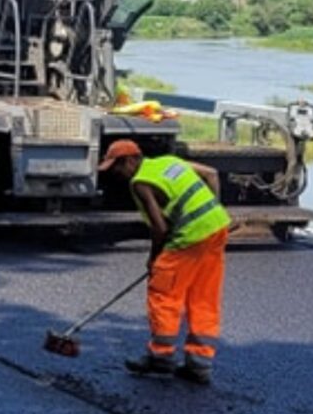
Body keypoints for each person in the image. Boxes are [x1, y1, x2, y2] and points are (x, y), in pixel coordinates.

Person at [98, 139, 231, 385]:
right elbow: (211, 175)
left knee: (163, 293)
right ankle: (199, 364)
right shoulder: (168, 161)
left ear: (130, 160)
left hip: (190, 237)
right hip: (217, 229)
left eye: (116, 168)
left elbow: (159, 229)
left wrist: (153, 259)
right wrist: (212, 211)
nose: (115, 175)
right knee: (203, 296)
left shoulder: (140, 183)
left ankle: (161, 358)